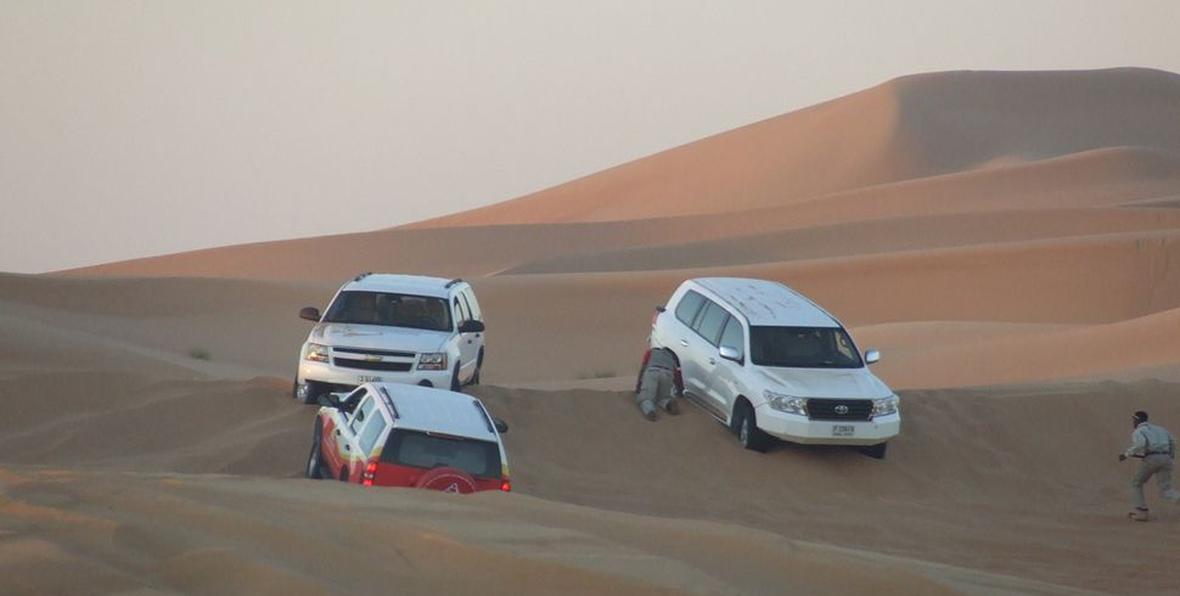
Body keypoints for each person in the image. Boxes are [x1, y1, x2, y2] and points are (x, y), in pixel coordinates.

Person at [1118, 411, 1179, 521]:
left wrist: (1126, 454)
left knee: (1136, 483)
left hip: (1152, 459)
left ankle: (1142, 512)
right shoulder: (1161, 429)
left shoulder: (1139, 431)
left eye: (1134, 420)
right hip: (1166, 458)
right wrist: (1170, 456)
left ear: (1137, 420)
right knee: (1167, 490)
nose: (1133, 423)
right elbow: (1173, 441)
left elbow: (1140, 444)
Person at [634, 347, 682, 421]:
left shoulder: (651, 352)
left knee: (645, 398)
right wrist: (680, 390)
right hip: (668, 374)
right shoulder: (673, 356)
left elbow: (643, 368)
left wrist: (638, 386)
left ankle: (650, 411)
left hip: (653, 372)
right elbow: (678, 374)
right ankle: (669, 403)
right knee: (663, 398)